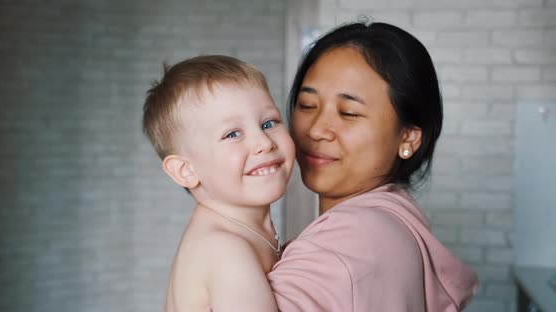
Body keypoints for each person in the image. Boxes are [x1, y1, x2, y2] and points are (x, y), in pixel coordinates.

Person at [267, 21, 479, 311]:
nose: (317, 129)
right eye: (306, 105)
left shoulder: (350, 239)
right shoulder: (398, 220)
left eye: (349, 113)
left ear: (408, 136)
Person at [142, 55, 295, 312]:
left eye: (269, 123)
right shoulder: (225, 250)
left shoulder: (237, 230)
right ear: (186, 170)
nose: (264, 142)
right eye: (232, 134)